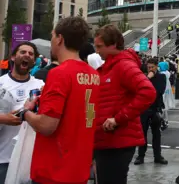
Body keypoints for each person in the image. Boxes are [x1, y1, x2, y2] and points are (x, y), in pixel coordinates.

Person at [22, 17, 99, 184]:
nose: (51, 41)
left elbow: (46, 126)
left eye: (52, 35)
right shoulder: (94, 75)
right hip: (78, 169)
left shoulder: (59, 74)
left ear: (60, 39)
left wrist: (26, 112)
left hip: (54, 169)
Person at [93, 24, 156, 184]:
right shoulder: (111, 66)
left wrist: (118, 119)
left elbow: (148, 91)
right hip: (109, 140)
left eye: (99, 46)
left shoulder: (123, 65)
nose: (97, 51)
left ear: (113, 45)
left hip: (117, 141)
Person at [0, 42, 43, 182]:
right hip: (4, 157)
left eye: (31, 54)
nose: (27, 56)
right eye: (23, 52)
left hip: (30, 159)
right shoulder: (1, 83)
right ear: (13, 57)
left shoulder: (41, 85)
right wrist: (3, 118)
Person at [134, 57, 167, 165]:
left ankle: (157, 155)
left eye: (152, 67)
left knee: (156, 134)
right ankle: (140, 155)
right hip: (144, 108)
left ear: (156, 67)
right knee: (142, 133)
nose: (150, 69)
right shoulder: (144, 77)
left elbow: (158, 91)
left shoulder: (161, 77)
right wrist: (147, 78)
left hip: (155, 108)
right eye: (148, 67)